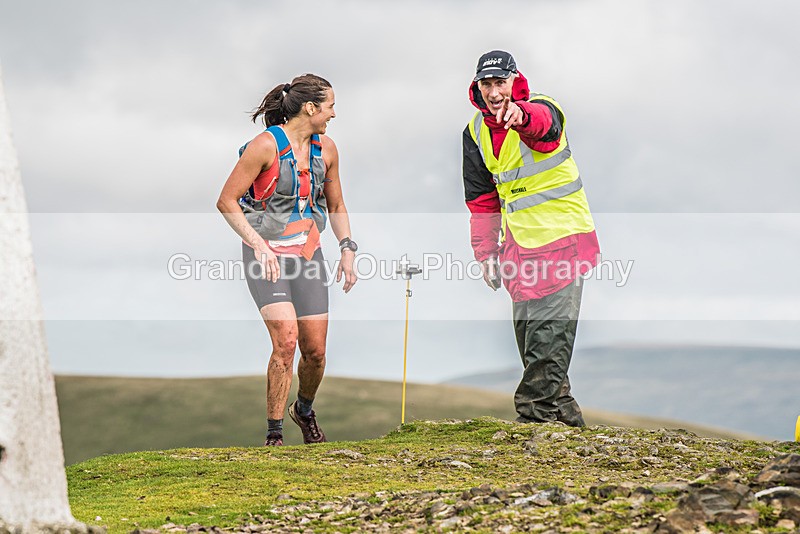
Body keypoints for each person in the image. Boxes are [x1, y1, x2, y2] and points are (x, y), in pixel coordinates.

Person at [217, 74, 358, 446]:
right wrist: (258, 245)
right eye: (330, 106)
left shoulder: (327, 150)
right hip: (265, 254)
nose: (333, 114)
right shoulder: (264, 147)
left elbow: (337, 205)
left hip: (307, 253)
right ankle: (274, 434)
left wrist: (347, 248)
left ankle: (304, 411)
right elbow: (226, 201)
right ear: (310, 108)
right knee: (286, 341)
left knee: (316, 352)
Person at [462, 51, 600, 426]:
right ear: (477, 86)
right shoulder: (474, 133)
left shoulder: (543, 108)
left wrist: (520, 116)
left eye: (500, 83)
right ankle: (564, 420)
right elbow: (482, 201)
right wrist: (486, 254)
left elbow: (544, 128)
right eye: (486, 84)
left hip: (563, 239)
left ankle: (534, 418)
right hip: (519, 250)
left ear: (515, 80)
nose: (494, 92)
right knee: (531, 341)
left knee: (548, 338)